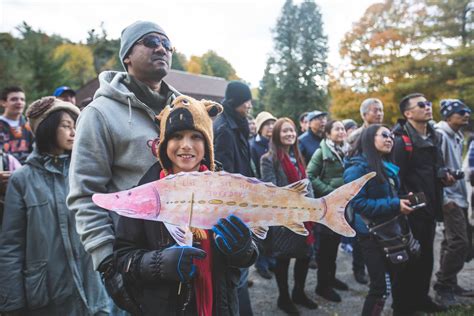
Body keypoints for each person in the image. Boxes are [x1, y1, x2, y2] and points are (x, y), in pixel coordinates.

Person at [67, 21, 180, 314]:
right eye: (151, 41)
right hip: (133, 259)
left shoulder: (183, 110)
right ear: (127, 55)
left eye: (167, 44)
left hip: (185, 251)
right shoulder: (99, 114)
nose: (161, 48)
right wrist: (108, 261)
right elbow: (84, 194)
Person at [114, 95, 258, 315]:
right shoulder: (147, 193)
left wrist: (242, 248)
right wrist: (159, 263)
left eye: (196, 137)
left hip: (220, 306)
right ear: (164, 144)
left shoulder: (226, 188)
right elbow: (123, 257)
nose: (186, 146)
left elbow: (248, 254)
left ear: (207, 143)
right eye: (177, 136)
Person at [0, 96, 109, 315]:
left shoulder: (85, 173)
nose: (73, 133)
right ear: (47, 129)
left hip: (95, 291)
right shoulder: (23, 180)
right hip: (48, 295)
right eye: (66, 126)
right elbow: (11, 245)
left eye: (75, 127)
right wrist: (12, 304)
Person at [344, 124, 414, 316]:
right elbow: (359, 204)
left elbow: (389, 194)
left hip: (391, 231)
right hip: (371, 235)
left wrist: (402, 199)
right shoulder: (356, 169)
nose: (390, 138)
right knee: (380, 288)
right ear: (369, 139)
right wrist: (394, 204)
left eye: (391, 135)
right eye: (383, 135)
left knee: (400, 278)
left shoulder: (387, 166)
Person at [391, 93, 452, 315]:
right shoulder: (400, 140)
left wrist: (444, 175)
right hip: (410, 209)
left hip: (430, 208)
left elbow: (436, 167)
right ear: (408, 113)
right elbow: (395, 178)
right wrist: (403, 206)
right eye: (421, 105)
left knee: (427, 257)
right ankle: (402, 307)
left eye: (428, 104)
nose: (428, 107)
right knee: (408, 260)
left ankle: (421, 299)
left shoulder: (434, 135)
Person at [261, 117, 318, 315]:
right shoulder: (268, 159)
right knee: (283, 259)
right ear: (277, 134)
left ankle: (299, 292)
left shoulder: (297, 156)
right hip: (284, 219)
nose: (290, 134)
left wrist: (311, 205)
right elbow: (272, 190)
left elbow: (307, 183)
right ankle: (283, 298)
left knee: (304, 256)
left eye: (292, 131)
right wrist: (298, 200)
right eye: (285, 131)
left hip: (304, 216)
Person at [213, 81, 255, 315]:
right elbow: (224, 175)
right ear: (236, 101)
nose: (249, 105)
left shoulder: (236, 124)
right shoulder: (225, 129)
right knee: (236, 272)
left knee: (241, 270)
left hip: (244, 202)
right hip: (234, 208)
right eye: (246, 100)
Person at [433, 99, 474, 306]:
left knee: (451, 242)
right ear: (448, 116)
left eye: (467, 111)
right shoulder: (440, 135)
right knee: (460, 243)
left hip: (460, 195)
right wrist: (444, 198)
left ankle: (451, 281)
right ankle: (443, 286)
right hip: (449, 198)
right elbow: (434, 169)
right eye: (460, 112)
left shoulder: (458, 136)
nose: (466, 115)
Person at [306, 120, 349, 302]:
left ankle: (331, 279)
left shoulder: (347, 150)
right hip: (326, 208)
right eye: (337, 129)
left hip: (341, 207)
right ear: (328, 134)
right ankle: (322, 286)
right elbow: (309, 176)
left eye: (343, 128)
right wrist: (330, 191)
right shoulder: (320, 153)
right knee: (325, 250)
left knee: (334, 246)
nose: (341, 131)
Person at [0, 86, 34, 164]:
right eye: (14, 99)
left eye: (22, 99)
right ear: (3, 102)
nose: (19, 102)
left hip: (27, 170)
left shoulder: (30, 124)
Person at [250, 111, 277, 179]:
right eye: (267, 124)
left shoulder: (278, 143)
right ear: (260, 128)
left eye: (273, 124)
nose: (271, 126)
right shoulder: (253, 146)